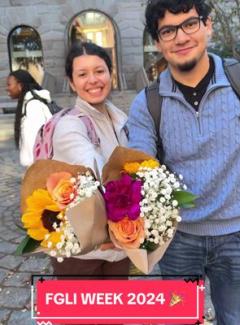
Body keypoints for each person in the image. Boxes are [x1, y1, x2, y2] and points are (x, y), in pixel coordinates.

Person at [127, 0, 240, 324]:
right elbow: (139, 166)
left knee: (236, 319)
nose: (180, 38)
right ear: (157, 41)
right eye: (168, 30)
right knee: (181, 319)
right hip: (177, 239)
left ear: (207, 25)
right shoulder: (147, 103)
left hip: (238, 235)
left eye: (189, 24)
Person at [51, 41, 130, 277]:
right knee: (85, 315)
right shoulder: (70, 125)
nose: (93, 80)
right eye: (83, 74)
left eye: (99, 71)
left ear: (110, 74)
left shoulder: (120, 119)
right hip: (83, 255)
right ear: (72, 82)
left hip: (118, 251)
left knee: (116, 314)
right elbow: (98, 177)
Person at [6, 70, 52, 167]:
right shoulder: (27, 104)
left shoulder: (33, 105)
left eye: (9, 85)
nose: (7, 88)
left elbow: (38, 141)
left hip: (39, 168)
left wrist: (36, 169)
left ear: (20, 86)